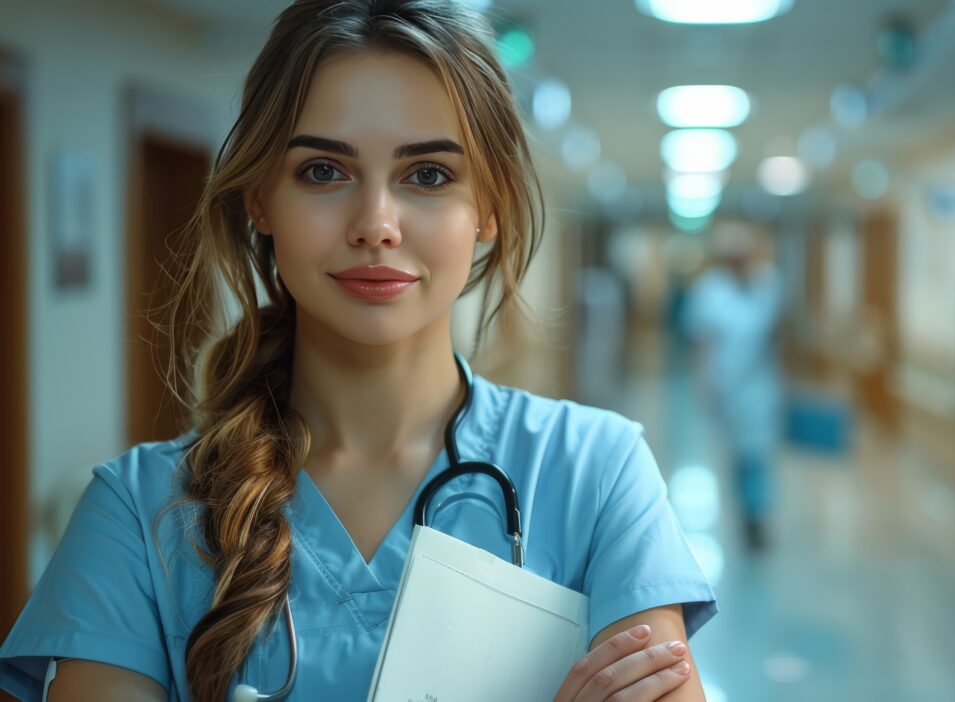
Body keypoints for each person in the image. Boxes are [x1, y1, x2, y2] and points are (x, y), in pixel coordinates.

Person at [0, 2, 716, 700]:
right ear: (260, 199)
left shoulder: (596, 474)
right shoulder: (136, 513)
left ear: (489, 209)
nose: (376, 224)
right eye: (323, 172)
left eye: (428, 175)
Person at [684, 225, 785, 551]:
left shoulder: (768, 283)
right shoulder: (709, 290)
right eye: (733, 259)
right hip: (723, 384)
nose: (740, 264)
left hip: (761, 384)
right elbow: (701, 342)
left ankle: (756, 515)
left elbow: (778, 334)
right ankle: (745, 509)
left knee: (757, 453)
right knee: (736, 453)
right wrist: (703, 386)